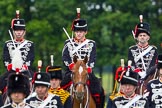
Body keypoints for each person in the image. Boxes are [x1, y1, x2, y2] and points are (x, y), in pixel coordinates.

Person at [61, 8, 105, 108]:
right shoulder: (68, 43)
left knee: (99, 89)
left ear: (85, 32)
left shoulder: (91, 43)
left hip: (86, 71)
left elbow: (93, 57)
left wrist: (89, 67)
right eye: (77, 31)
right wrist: (71, 65)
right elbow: (65, 57)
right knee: (61, 86)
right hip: (72, 71)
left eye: (81, 31)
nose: (79, 34)